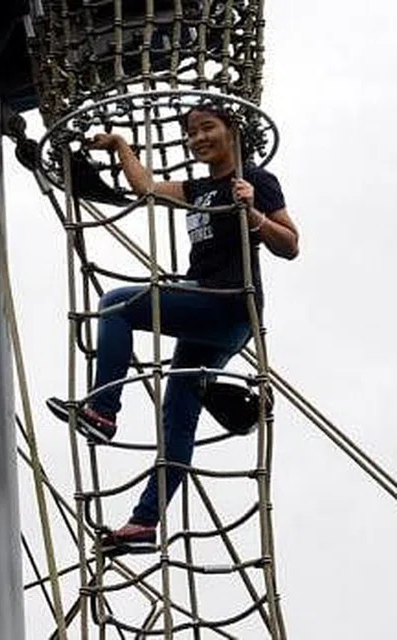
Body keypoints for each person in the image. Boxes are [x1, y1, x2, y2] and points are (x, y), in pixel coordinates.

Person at [47, 104, 300, 556]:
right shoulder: (198, 188)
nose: (198, 138)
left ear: (231, 131)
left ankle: (103, 409)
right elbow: (145, 187)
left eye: (207, 128)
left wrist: (254, 215)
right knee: (178, 416)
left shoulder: (256, 180)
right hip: (210, 310)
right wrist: (120, 145)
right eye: (191, 133)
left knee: (117, 304)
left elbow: (291, 244)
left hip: (227, 302)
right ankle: (144, 525)